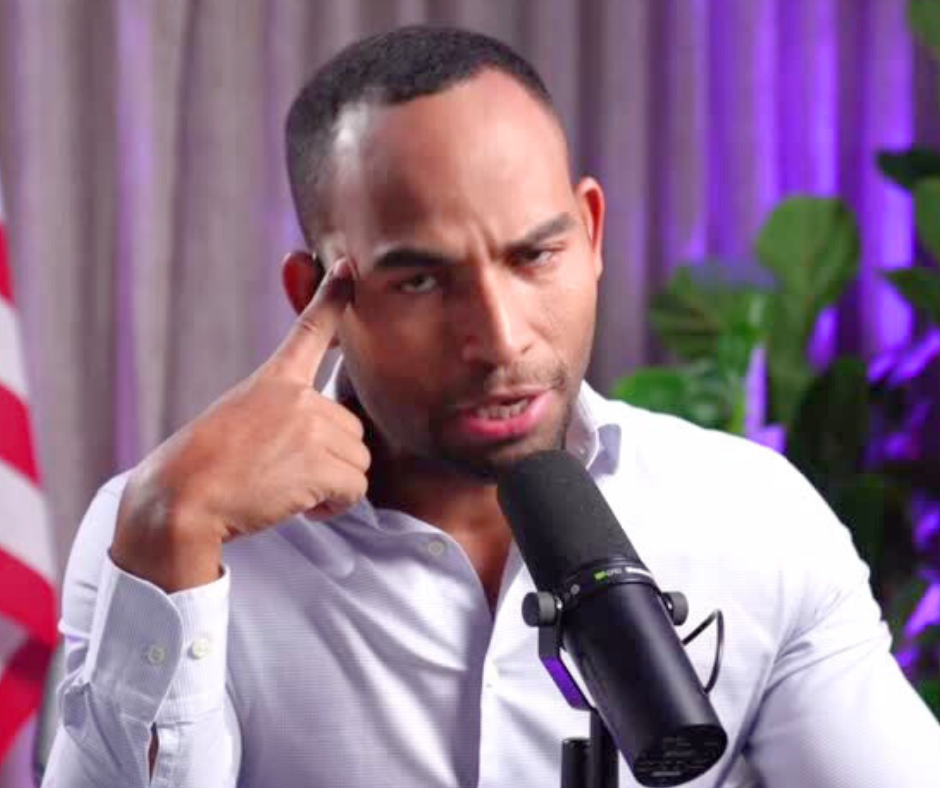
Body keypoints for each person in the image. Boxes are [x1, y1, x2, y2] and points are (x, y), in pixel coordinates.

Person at [42, 25, 940, 788]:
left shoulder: (755, 516)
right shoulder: (160, 538)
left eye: (533, 256)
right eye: (422, 280)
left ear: (591, 232)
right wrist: (168, 534)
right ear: (316, 293)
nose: (502, 339)